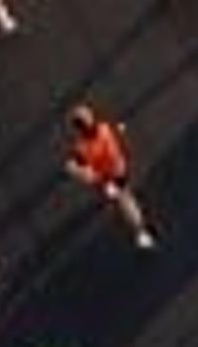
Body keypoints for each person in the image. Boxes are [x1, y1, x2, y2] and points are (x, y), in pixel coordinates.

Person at [55, 102, 155, 243]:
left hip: (115, 173)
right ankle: (140, 229)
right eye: (88, 115)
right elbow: (74, 164)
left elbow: (78, 163)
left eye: (89, 114)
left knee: (125, 200)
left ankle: (140, 229)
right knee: (124, 199)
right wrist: (80, 171)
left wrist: (78, 169)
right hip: (112, 175)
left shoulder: (94, 137)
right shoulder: (93, 138)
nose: (92, 116)